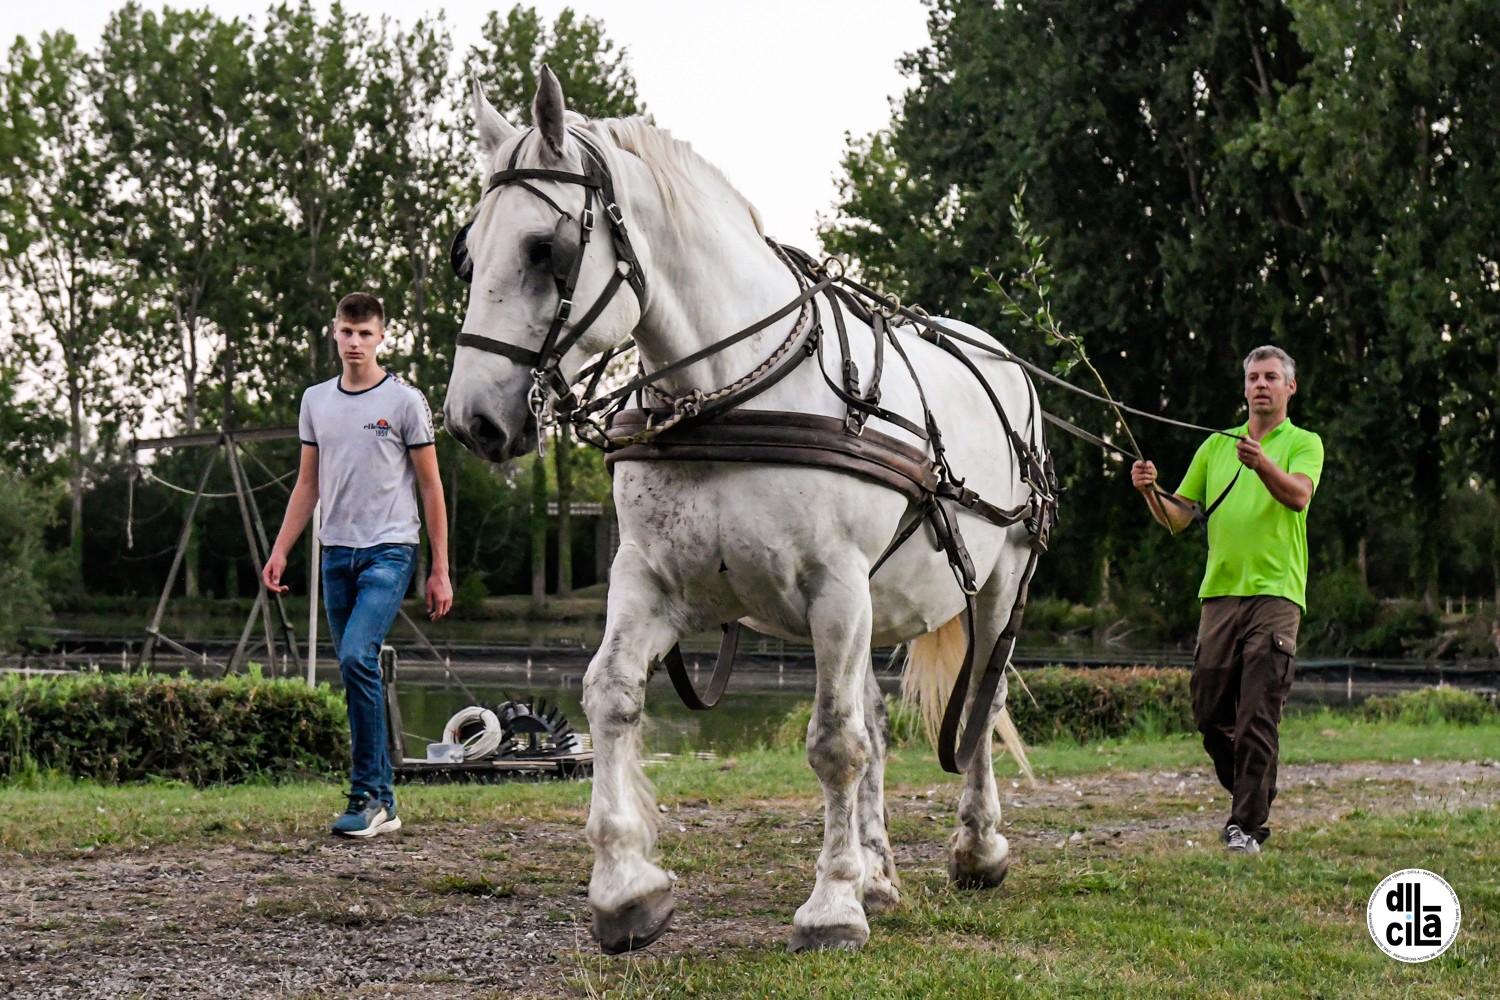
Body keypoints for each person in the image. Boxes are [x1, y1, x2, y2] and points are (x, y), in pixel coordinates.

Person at [263, 292, 453, 838]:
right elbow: (308, 483)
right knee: (355, 673)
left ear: (382, 338)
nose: (354, 343)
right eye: (347, 332)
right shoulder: (316, 401)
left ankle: (367, 794)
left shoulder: (405, 401)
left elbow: (431, 486)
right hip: (334, 552)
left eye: (365, 334)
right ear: (334, 333)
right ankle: (384, 799)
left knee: (354, 655)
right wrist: (280, 549)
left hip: (390, 549)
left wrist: (439, 568)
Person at [1130, 346, 1324, 855]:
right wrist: (1152, 491)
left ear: (1289, 388)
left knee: (1258, 712)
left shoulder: (1305, 443)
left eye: (1272, 377)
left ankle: (1245, 826)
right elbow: (1179, 518)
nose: (1262, 385)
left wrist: (1261, 464)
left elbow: (1299, 496)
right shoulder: (1216, 444)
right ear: (1244, 389)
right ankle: (1253, 787)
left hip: (1277, 594)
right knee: (1208, 710)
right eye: (1254, 377)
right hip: (1219, 594)